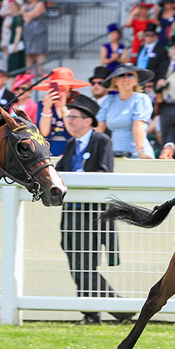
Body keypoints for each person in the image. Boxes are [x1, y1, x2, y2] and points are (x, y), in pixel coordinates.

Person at [56, 94, 132, 325]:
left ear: (88, 120)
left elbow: (104, 173)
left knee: (85, 265)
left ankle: (107, 312)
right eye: (68, 116)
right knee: (76, 263)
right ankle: (95, 312)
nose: (69, 120)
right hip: (71, 214)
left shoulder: (102, 141)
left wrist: (77, 178)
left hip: (92, 215)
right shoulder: (71, 145)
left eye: (74, 117)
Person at [96, 63, 155, 159]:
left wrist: (141, 152)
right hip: (114, 154)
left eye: (130, 75)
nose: (126, 78)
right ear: (115, 81)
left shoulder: (141, 99)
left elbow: (138, 127)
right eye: (121, 75)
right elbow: (99, 131)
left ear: (136, 80)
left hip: (137, 154)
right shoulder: (109, 101)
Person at [37, 67, 90, 156]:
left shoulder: (78, 103)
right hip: (50, 148)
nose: (60, 87)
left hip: (71, 147)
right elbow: (44, 132)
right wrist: (47, 107)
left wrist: (63, 108)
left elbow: (74, 132)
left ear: (70, 86)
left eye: (63, 84)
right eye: (56, 84)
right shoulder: (43, 104)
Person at [22, 0, 48, 76]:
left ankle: (39, 71)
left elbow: (36, 13)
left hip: (39, 32)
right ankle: (28, 72)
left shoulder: (40, 4)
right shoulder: (25, 5)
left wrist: (27, 15)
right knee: (28, 52)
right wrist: (27, 15)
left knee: (38, 52)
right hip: (27, 33)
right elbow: (21, 14)